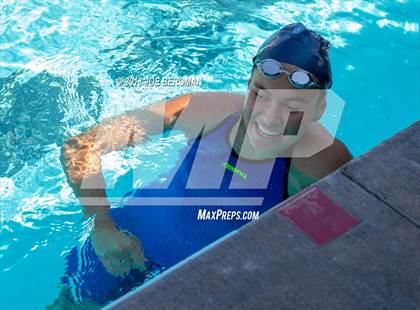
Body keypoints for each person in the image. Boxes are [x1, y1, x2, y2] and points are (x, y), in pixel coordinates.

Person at [51, 22, 352, 307]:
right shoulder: (210, 111)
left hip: (200, 285)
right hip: (121, 244)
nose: (270, 117)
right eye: (261, 94)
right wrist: (101, 224)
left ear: (319, 110)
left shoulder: (319, 161)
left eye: (292, 107)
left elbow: (347, 251)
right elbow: (82, 146)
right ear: (249, 85)